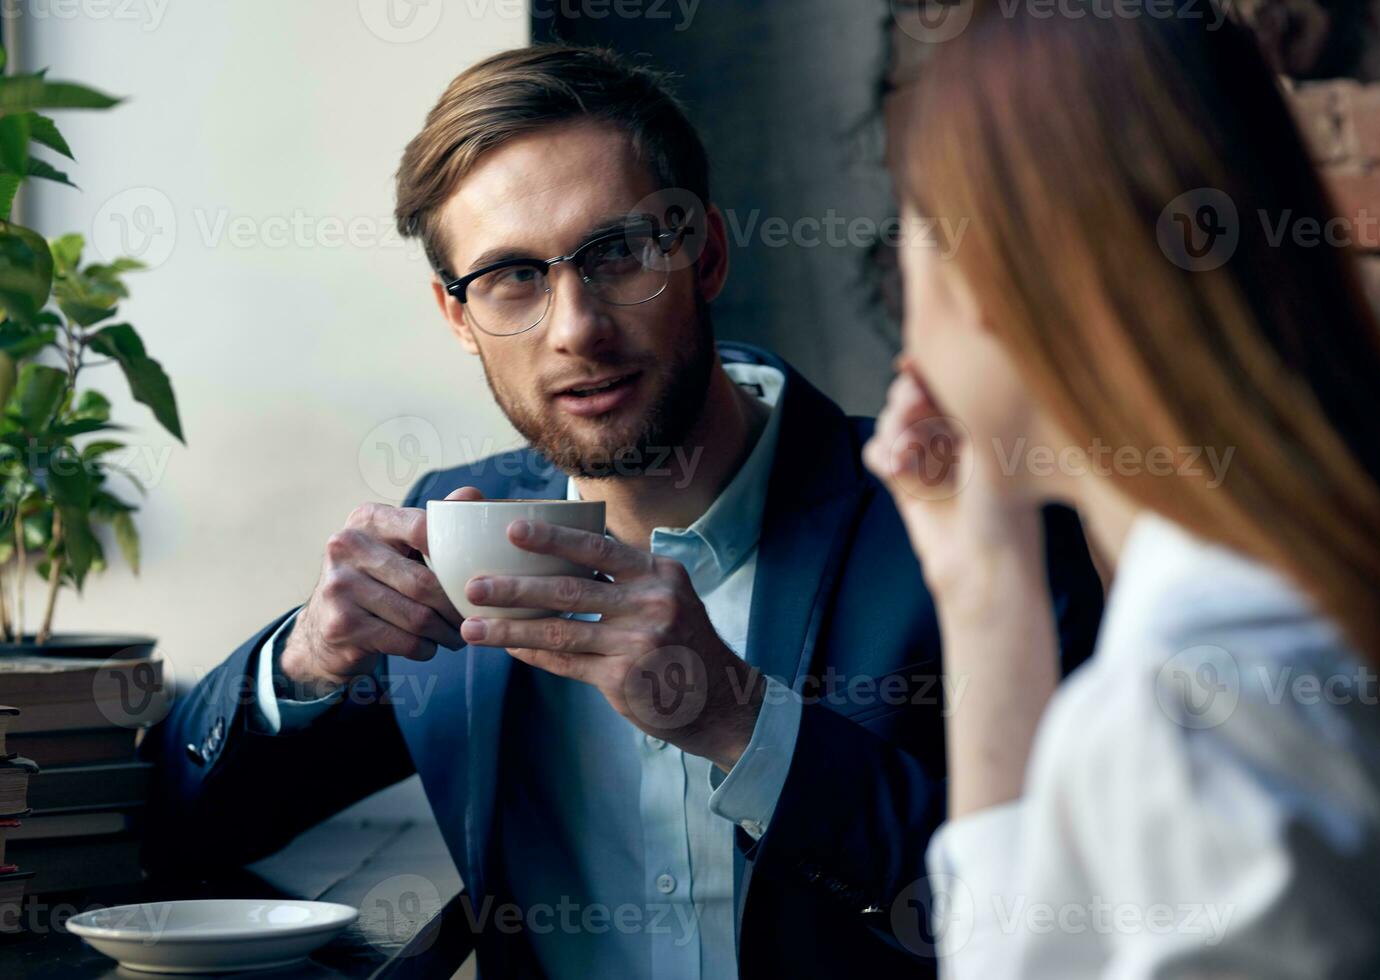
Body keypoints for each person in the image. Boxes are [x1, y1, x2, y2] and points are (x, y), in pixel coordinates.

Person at [143, 45, 1104, 979]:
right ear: (456, 317)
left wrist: (741, 720)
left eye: (619, 253)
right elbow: (186, 825)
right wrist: (303, 660)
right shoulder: (456, 529)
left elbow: (1079, 912)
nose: (578, 329)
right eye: (513, 276)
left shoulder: (957, 523)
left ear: (707, 254)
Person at [867, 4, 1380, 977]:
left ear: (984, 275)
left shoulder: (1185, 718)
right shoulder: (1338, 595)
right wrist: (984, 592)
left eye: (911, 241)